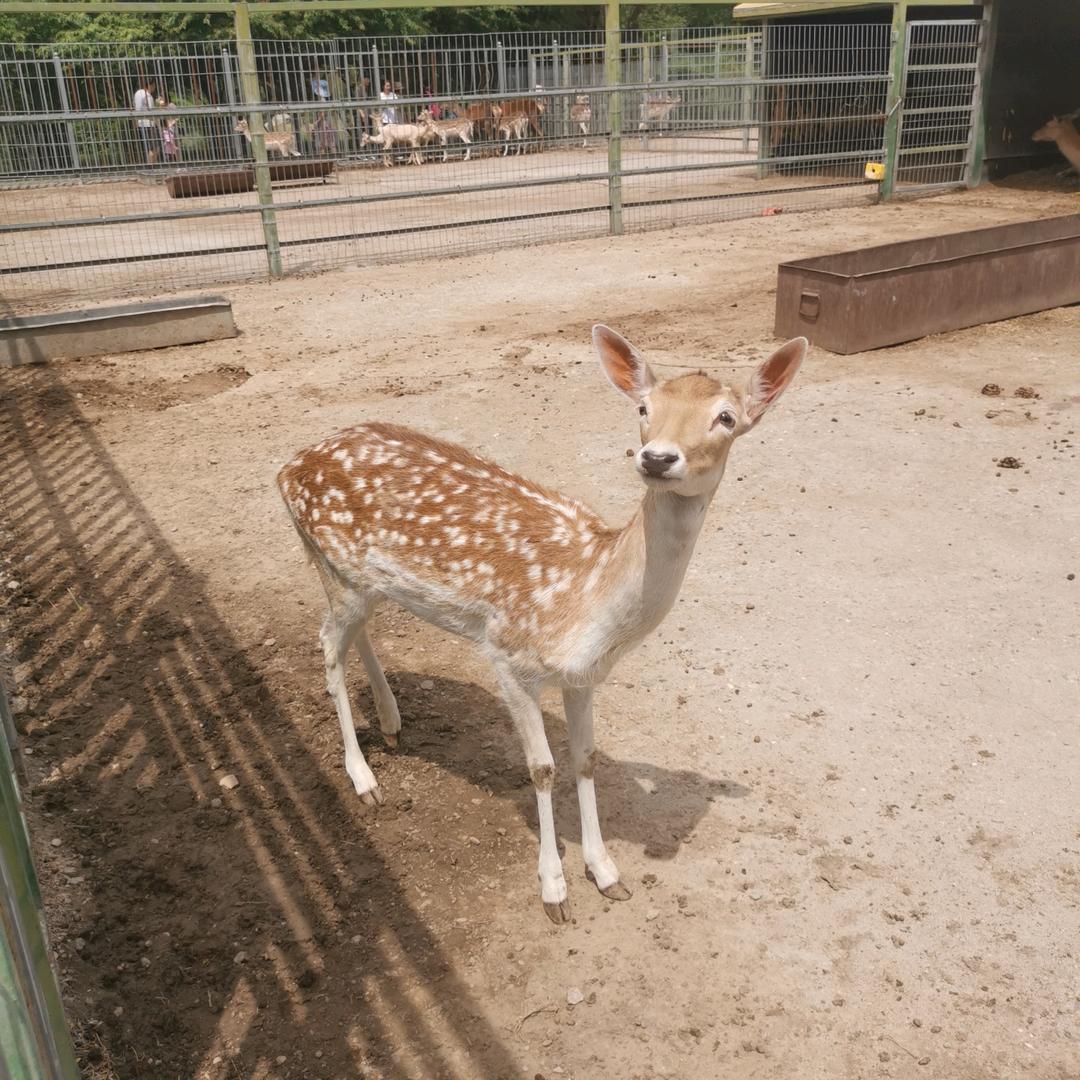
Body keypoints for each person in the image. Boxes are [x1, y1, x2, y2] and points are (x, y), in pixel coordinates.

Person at [133, 77, 158, 164]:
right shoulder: (148, 96)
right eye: (154, 85)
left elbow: (137, 108)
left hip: (140, 123)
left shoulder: (138, 93)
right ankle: (152, 166)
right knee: (154, 148)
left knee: (147, 148)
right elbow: (151, 112)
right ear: (151, 85)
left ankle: (149, 166)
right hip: (149, 124)